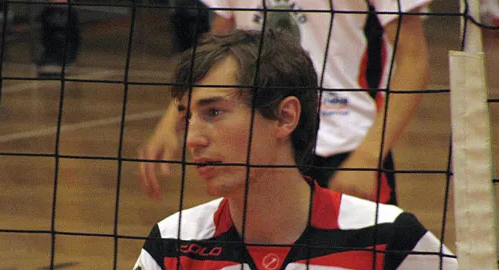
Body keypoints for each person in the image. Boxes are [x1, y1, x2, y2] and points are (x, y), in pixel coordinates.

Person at [117, 29, 462, 270]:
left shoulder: (391, 240)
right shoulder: (173, 245)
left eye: (214, 113)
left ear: (284, 117)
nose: (192, 138)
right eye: (188, 116)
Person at [139, 0, 431, 206]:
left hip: (346, 149)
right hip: (260, 144)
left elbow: (414, 60)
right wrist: (172, 119)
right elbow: (218, 45)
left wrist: (368, 157)